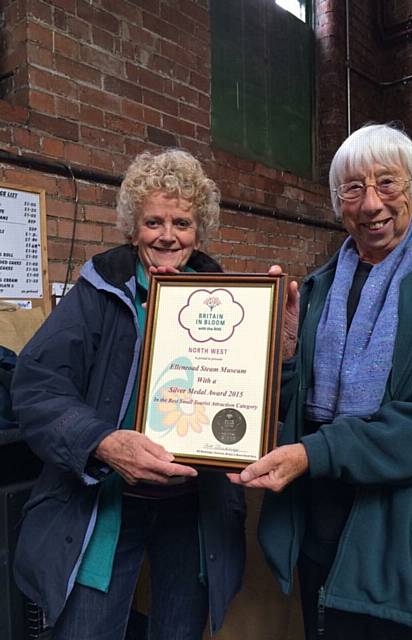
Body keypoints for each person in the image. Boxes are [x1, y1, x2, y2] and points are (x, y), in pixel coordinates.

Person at [229, 124, 412, 639]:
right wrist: (286, 360)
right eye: (352, 188)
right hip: (325, 533)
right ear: (336, 201)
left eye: (387, 184)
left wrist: (311, 454)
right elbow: (301, 408)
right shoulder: (319, 286)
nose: (371, 205)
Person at [12, 150, 246, 640]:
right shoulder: (98, 292)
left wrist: (275, 351)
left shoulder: (230, 301)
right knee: (87, 629)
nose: (166, 235)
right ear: (132, 229)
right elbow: (37, 383)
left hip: (190, 503)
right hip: (107, 499)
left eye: (181, 222)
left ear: (198, 231)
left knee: (180, 630)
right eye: (152, 221)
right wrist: (101, 442)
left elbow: (251, 396)